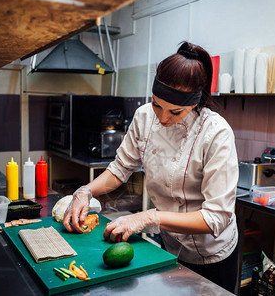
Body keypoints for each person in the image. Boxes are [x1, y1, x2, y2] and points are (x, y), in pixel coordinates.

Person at [63, 41, 239, 293]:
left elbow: (216, 218)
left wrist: (148, 218)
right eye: (157, 104)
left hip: (212, 255)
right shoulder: (144, 116)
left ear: (195, 103)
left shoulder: (216, 133)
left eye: (176, 112)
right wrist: (85, 191)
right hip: (170, 247)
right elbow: (120, 168)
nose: (163, 118)